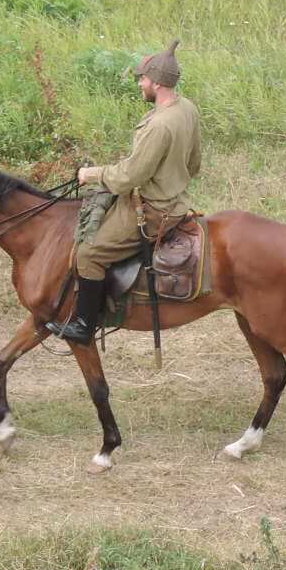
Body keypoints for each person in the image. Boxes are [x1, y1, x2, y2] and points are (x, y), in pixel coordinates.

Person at [46, 39, 202, 346]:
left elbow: (131, 176)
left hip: (153, 209)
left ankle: (84, 326)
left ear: (157, 83)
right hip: (175, 201)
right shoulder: (187, 108)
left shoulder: (159, 125)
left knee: (88, 254)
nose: (140, 83)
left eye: (143, 79)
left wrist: (92, 174)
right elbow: (194, 163)